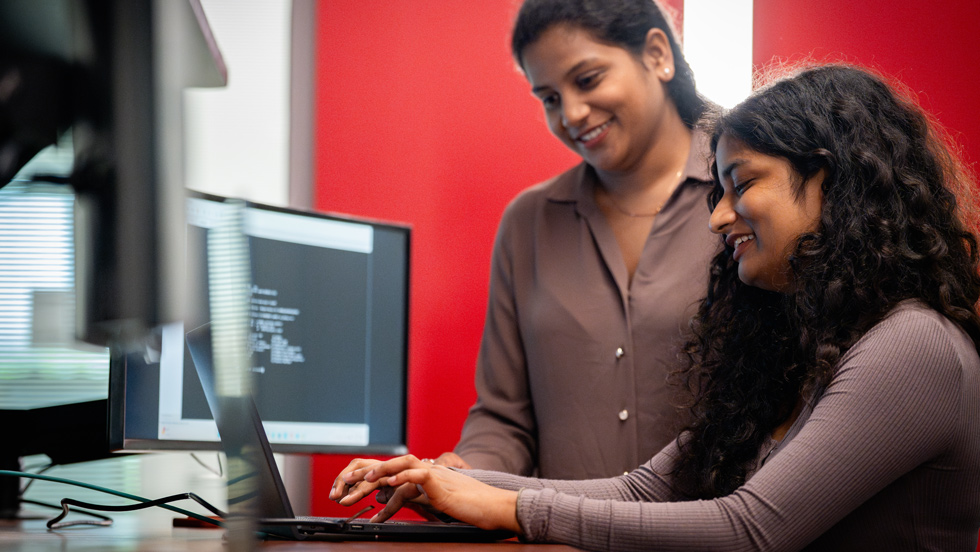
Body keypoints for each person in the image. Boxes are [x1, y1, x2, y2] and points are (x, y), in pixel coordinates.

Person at [330, 64, 980, 550]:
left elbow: (750, 528)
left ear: (831, 181)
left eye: (743, 184)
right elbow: (641, 490)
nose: (720, 217)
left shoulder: (913, 346)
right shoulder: (804, 354)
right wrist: (444, 482)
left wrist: (512, 511)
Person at [437, 0, 717, 480]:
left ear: (656, 55)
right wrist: (460, 479)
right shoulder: (529, 222)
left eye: (587, 80)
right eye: (548, 97)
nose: (571, 114)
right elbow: (505, 419)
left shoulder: (747, 191)